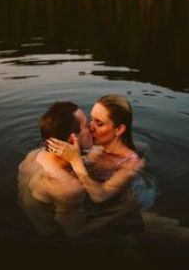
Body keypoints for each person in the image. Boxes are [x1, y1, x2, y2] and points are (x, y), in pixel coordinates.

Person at [18, 101, 136, 245]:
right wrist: (120, 211)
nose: (92, 128)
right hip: (55, 238)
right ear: (72, 140)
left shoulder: (34, 155)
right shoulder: (68, 188)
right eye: (86, 125)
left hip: (37, 218)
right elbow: (75, 233)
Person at [46, 94, 146, 248]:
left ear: (119, 129)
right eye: (91, 119)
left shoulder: (132, 163)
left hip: (127, 210)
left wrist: (75, 160)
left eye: (99, 123)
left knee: (167, 231)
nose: (90, 127)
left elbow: (100, 196)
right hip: (97, 212)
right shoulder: (97, 148)